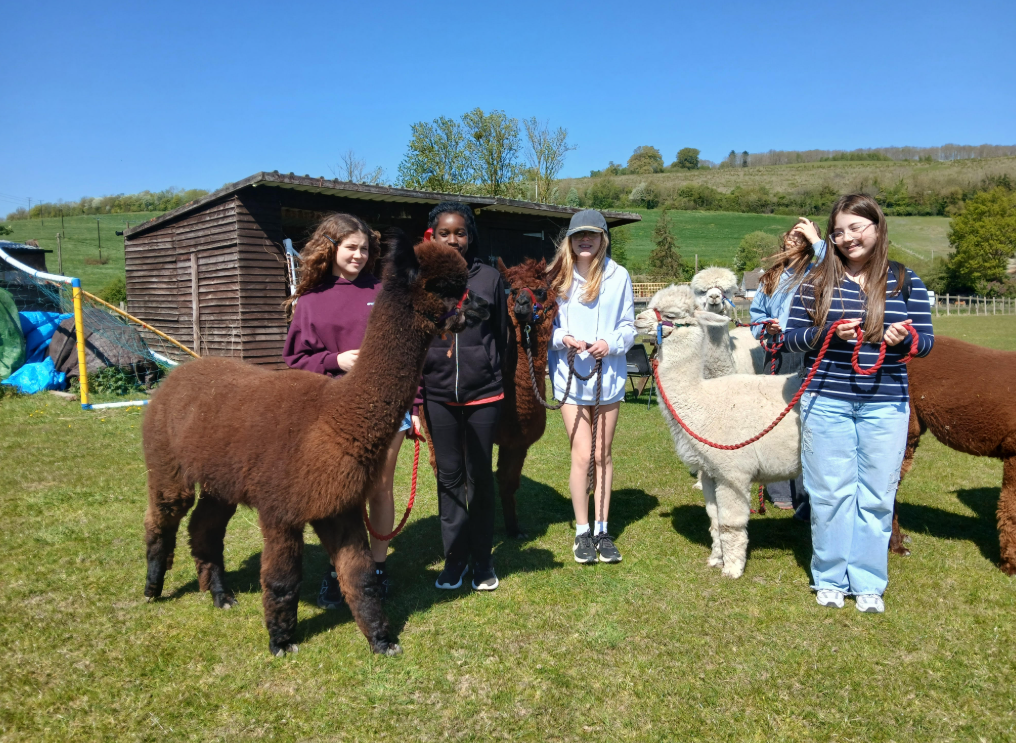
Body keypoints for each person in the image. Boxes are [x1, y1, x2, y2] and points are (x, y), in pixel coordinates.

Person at [783, 194, 934, 613]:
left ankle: (867, 581)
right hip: (827, 401)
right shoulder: (816, 282)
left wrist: (906, 339)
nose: (847, 238)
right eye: (838, 231)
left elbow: (927, 341)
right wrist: (826, 333)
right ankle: (829, 576)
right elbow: (790, 338)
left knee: (876, 495)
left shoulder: (905, 281)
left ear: (877, 227)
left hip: (886, 404)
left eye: (855, 227)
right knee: (830, 493)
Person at [282, 213, 417, 607]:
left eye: (364, 249)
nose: (358, 256)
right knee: (340, 497)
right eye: (350, 248)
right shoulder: (310, 302)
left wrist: (418, 402)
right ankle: (338, 568)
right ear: (331, 248)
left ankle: (376, 568)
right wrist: (334, 360)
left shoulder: (388, 292)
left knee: (380, 488)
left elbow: (411, 352)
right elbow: (295, 360)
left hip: (389, 408)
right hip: (332, 415)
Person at [422, 202, 508, 592]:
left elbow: (503, 339)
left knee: (480, 478)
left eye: (460, 232)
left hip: (483, 397)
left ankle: (483, 561)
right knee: (450, 478)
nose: (453, 239)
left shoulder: (489, 278)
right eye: (445, 232)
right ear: (433, 235)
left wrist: (495, 379)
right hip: (438, 395)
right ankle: (454, 560)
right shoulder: (421, 278)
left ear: (470, 236)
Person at [548, 209, 635, 565]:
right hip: (570, 379)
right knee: (582, 455)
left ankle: (602, 528)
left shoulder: (619, 276)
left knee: (602, 455)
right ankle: (582, 531)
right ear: (569, 240)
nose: (586, 240)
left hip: (608, 377)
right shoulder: (556, 278)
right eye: (579, 235)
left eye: (593, 235)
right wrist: (562, 338)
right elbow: (543, 327)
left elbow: (628, 326)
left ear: (603, 238)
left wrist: (610, 343)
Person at [749, 218, 826, 512]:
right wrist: (764, 327)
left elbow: (837, 265)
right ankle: (779, 489)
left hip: (809, 350)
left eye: (800, 235)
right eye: (790, 235)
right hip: (777, 352)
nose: (792, 238)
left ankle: (808, 492)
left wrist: (816, 239)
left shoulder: (819, 272)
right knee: (774, 419)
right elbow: (757, 315)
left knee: (807, 421)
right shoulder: (771, 277)